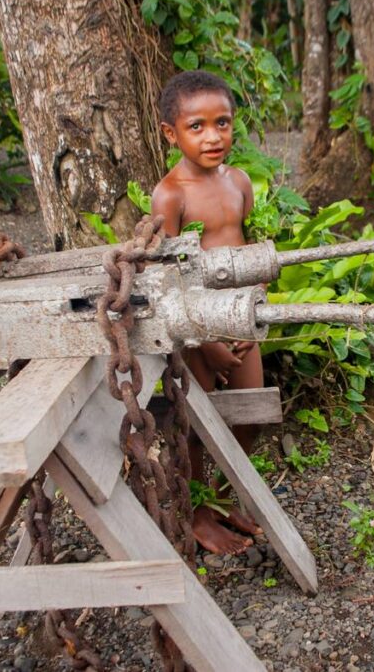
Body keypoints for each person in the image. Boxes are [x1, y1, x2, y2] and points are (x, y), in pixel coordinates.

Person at [151, 71, 264, 554]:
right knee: (197, 423)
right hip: (195, 325)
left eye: (223, 122)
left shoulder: (239, 182)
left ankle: (221, 498)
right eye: (197, 126)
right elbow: (168, 279)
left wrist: (253, 303)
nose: (213, 136)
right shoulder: (170, 195)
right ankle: (197, 513)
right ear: (170, 133)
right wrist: (209, 342)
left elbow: (245, 250)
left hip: (240, 316)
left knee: (253, 412)